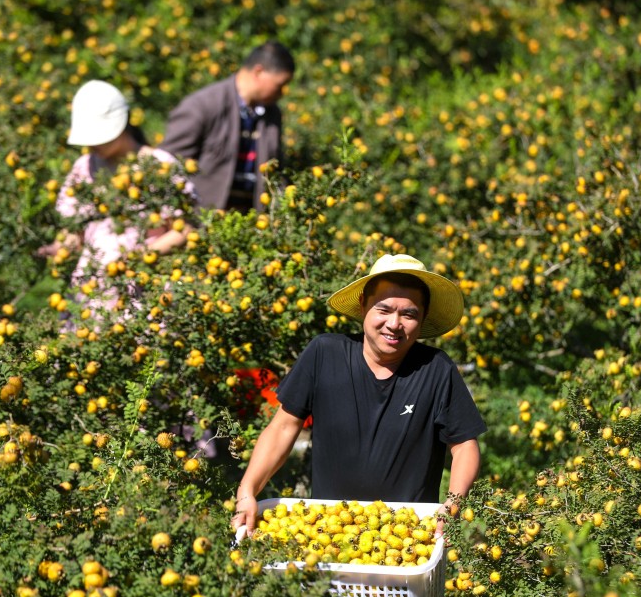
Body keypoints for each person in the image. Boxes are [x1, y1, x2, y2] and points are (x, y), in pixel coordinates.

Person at [231, 254, 486, 536]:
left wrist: (452, 505)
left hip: (408, 539)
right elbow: (283, 428)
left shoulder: (436, 369)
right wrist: (247, 489)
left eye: (409, 314)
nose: (394, 323)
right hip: (325, 532)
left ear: (423, 318)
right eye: (384, 309)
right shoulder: (324, 353)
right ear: (364, 304)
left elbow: (464, 446)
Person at [40, 80, 196, 313]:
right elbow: (77, 232)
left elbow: (184, 230)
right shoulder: (84, 168)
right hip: (92, 295)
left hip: (146, 294)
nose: (93, 144)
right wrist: (59, 248)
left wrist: (138, 258)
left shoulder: (159, 167)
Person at [158, 41, 294, 213]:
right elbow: (167, 162)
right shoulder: (203, 105)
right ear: (259, 72)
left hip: (251, 225)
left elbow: (276, 170)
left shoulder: (272, 114)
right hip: (200, 224)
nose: (282, 93)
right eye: (280, 85)